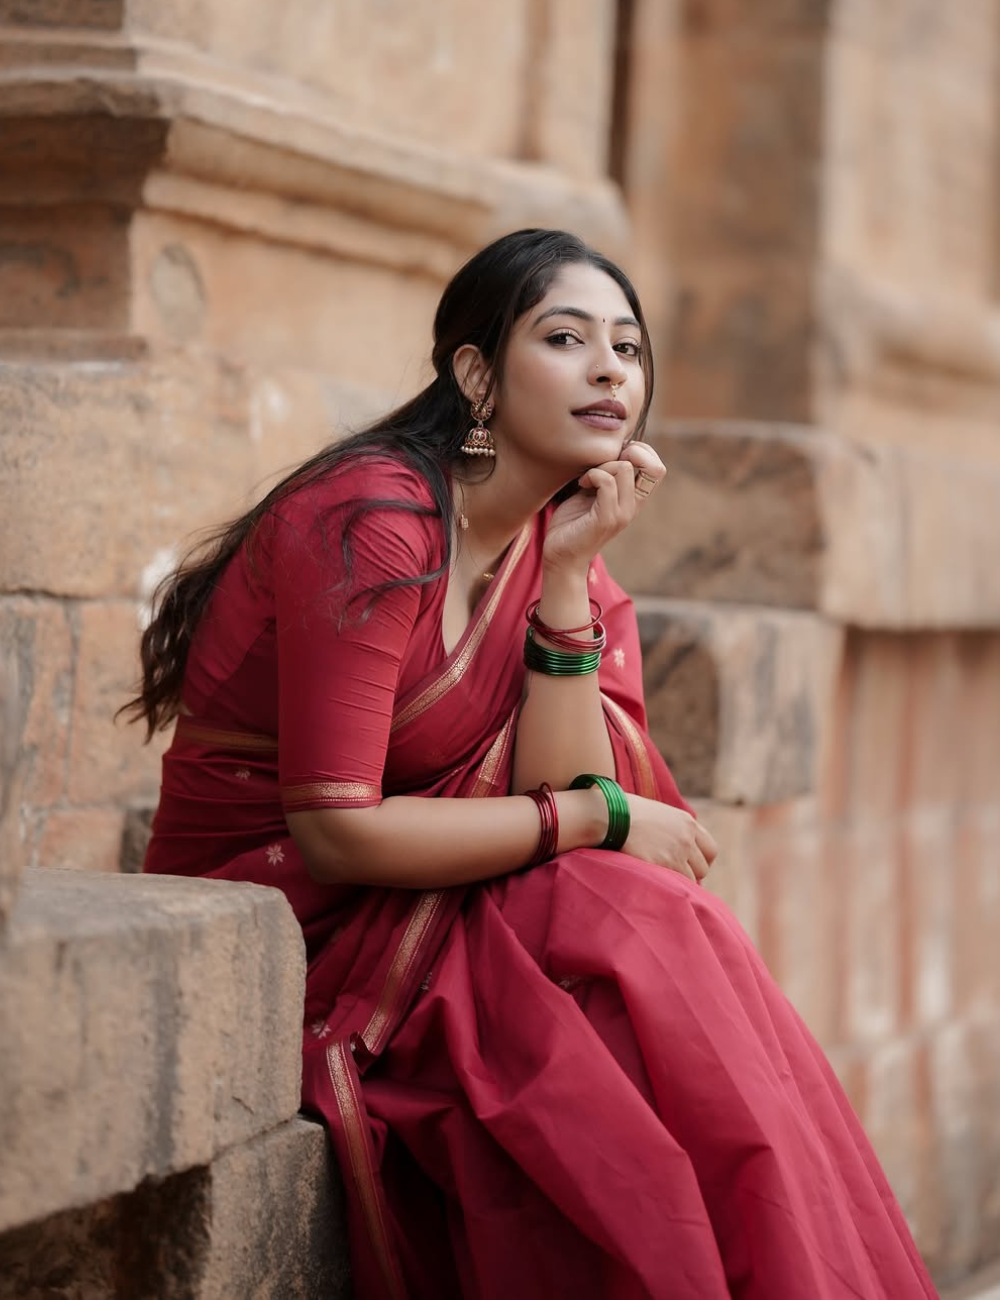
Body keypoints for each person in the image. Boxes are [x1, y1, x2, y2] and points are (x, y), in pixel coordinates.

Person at [129, 229, 938, 1299]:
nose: (612, 370)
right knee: (604, 966)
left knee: (646, 936)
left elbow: (552, 795)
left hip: (426, 905)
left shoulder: (568, 554)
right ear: (475, 373)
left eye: (629, 349)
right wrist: (596, 820)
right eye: (566, 339)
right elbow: (339, 828)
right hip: (288, 919)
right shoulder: (373, 521)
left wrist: (564, 580)